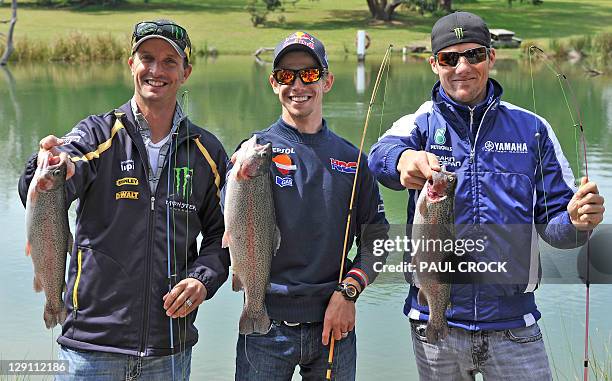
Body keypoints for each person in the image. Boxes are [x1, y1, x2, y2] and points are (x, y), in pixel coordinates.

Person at [368, 11, 605, 381]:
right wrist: (403, 160)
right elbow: (378, 158)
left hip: (515, 326)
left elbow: (557, 229)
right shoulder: (420, 122)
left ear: (491, 58)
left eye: (474, 55)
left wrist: (577, 221)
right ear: (434, 65)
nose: (462, 66)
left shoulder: (533, 129)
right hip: (434, 322)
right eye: (449, 58)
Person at [18, 19, 230, 380]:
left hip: (169, 350)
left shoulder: (206, 152)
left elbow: (227, 235)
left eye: (169, 61)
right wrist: (51, 164)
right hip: (90, 348)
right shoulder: (96, 134)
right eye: (146, 58)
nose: (156, 70)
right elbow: (49, 181)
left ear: (186, 72)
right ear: (131, 63)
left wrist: (202, 279)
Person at [229, 31, 388, 380]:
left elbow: (377, 239)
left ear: (327, 81)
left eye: (310, 74)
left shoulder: (353, 159)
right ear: (274, 83)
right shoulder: (255, 152)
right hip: (265, 325)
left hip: (335, 326)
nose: (298, 84)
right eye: (287, 75)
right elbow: (231, 222)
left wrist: (349, 292)